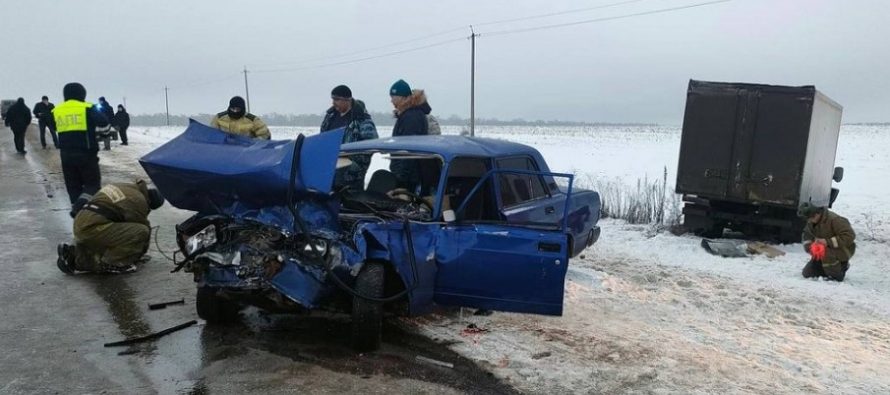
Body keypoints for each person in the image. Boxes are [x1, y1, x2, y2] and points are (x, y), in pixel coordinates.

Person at [57, 180, 165, 274]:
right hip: (93, 226)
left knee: (109, 239)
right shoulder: (139, 200)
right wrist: (139, 254)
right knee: (140, 232)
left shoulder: (126, 186)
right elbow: (141, 230)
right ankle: (113, 264)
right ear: (149, 202)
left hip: (82, 220)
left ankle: (72, 254)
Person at [53, 82, 111, 215]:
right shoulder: (88, 108)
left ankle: (79, 216)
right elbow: (105, 124)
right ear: (82, 94)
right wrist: (103, 135)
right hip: (86, 153)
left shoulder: (57, 110)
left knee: (73, 186)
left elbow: (54, 127)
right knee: (92, 185)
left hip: (65, 154)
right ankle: (80, 208)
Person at [320, 85, 378, 191]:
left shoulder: (362, 120)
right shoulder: (330, 117)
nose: (333, 103)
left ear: (347, 100)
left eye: (337, 99)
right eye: (333, 99)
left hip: (351, 176)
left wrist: (353, 163)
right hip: (328, 172)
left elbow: (371, 146)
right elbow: (322, 138)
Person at [388, 79, 433, 191]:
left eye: (393, 97)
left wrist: (401, 177)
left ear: (403, 98)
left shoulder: (412, 117)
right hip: (406, 173)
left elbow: (409, 148)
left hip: (409, 177)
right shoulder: (407, 114)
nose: (391, 101)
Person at [799, 202, 856, 282]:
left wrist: (827, 242)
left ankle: (838, 273)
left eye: (811, 217)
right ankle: (826, 269)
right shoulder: (811, 222)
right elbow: (807, 235)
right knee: (807, 273)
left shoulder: (835, 220)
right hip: (823, 249)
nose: (809, 220)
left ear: (817, 213)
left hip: (843, 249)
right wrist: (810, 247)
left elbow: (850, 236)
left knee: (826, 253)